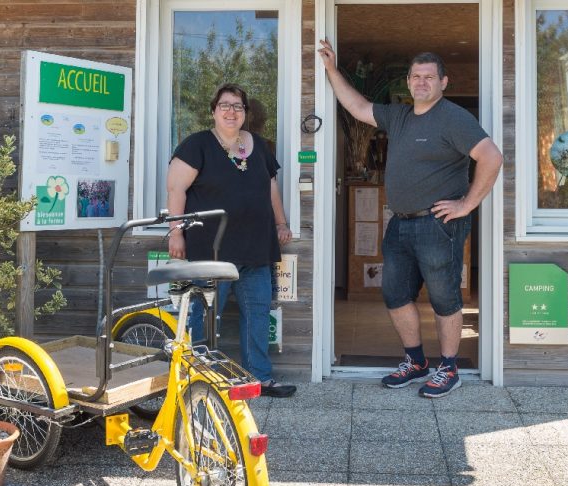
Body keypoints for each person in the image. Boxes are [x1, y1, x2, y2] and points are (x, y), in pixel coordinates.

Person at [319, 39, 503, 398]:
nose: (421, 82)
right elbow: (357, 107)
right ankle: (416, 362)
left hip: (437, 225)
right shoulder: (399, 116)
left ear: (443, 82)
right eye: (416, 76)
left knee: (444, 297)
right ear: (408, 81)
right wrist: (330, 69)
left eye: (429, 77)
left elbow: (492, 157)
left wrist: (466, 204)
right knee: (395, 293)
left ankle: (448, 368)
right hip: (400, 222)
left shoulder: (453, 117)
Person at [166, 83, 296, 398]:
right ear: (213, 110)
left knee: (257, 313)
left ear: (245, 113)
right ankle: (196, 378)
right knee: (204, 316)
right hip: (210, 249)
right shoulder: (197, 145)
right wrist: (176, 231)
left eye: (238, 106)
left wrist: (281, 223)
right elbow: (176, 189)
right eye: (224, 105)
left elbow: (271, 188)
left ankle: (259, 379)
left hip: (256, 247)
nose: (231, 111)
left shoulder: (260, 146)